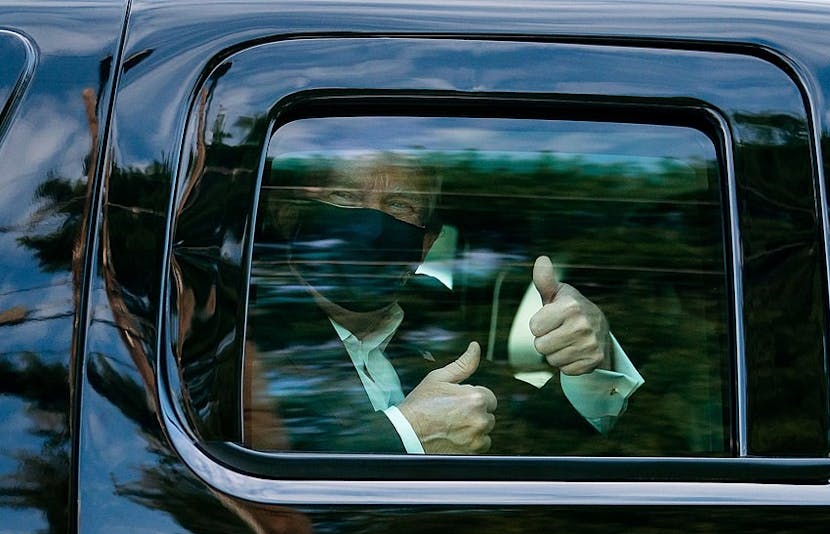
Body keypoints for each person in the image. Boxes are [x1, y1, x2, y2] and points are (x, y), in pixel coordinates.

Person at [244, 152, 642, 455]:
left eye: (400, 206)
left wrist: (590, 362)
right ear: (288, 214)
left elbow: (549, 443)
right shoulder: (241, 324)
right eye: (345, 196)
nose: (369, 224)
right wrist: (405, 437)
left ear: (426, 243)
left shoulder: (444, 318)